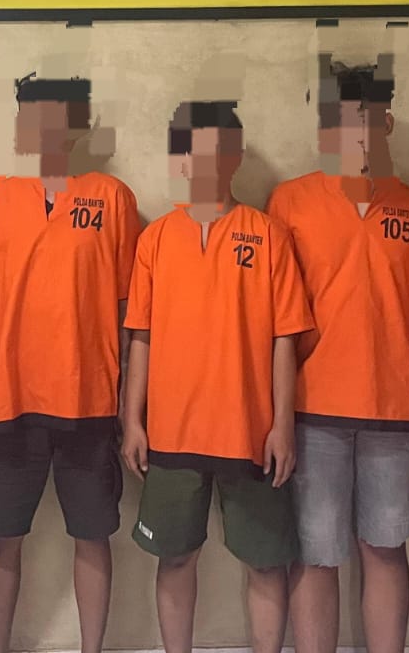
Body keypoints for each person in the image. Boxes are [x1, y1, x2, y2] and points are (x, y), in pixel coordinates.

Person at [0, 75, 141, 653]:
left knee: (93, 533)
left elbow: (130, 310)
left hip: (88, 398)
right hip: (7, 402)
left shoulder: (112, 198)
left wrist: (128, 401)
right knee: (2, 537)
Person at [123, 100, 313, 653]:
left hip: (249, 432)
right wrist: (132, 420)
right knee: (175, 557)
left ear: (234, 157)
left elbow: (285, 336)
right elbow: (141, 336)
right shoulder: (156, 240)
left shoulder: (268, 234)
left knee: (266, 560)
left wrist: (282, 425)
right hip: (172, 432)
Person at [269, 58, 409, 653]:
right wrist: (276, 413)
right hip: (313, 409)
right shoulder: (290, 202)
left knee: (385, 547)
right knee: (316, 553)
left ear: (386, 122)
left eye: (367, 117)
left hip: (398, 409)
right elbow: (276, 319)